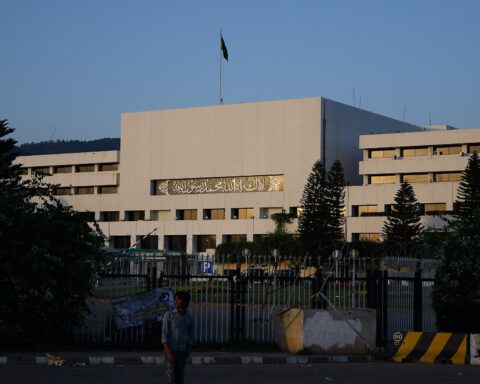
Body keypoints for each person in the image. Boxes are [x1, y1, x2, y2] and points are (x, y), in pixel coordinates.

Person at [162, 291, 194, 384]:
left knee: (180, 378)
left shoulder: (189, 318)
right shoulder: (169, 315)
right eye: (175, 299)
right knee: (172, 378)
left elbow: (190, 336)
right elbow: (164, 335)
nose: (175, 301)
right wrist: (168, 353)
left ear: (185, 302)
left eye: (178, 299)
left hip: (182, 351)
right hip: (171, 350)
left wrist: (188, 350)